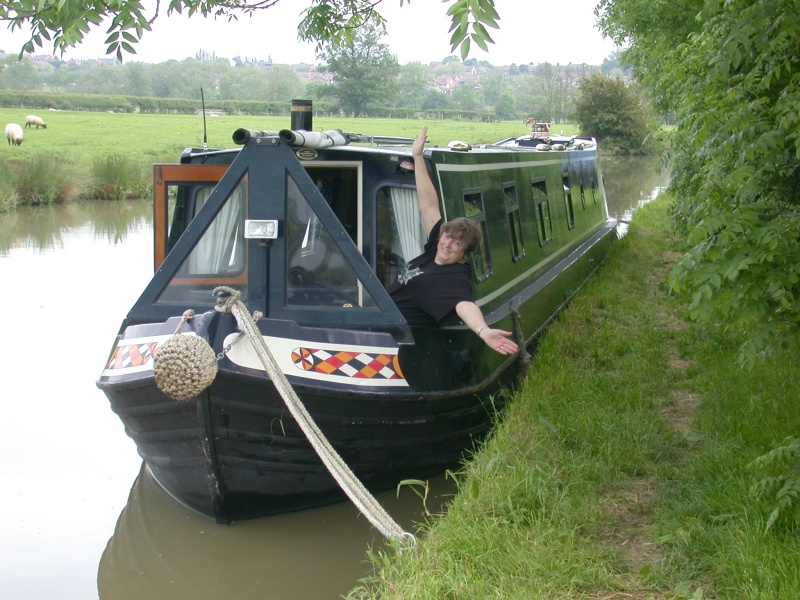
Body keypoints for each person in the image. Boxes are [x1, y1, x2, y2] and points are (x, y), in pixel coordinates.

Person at [388, 127, 520, 356]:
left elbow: (464, 305)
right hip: (382, 317)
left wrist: (483, 331)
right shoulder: (435, 248)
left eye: (457, 244)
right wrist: (418, 157)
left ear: (465, 255)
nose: (447, 244)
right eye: (447, 237)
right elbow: (427, 205)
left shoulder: (453, 278)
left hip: (397, 339)